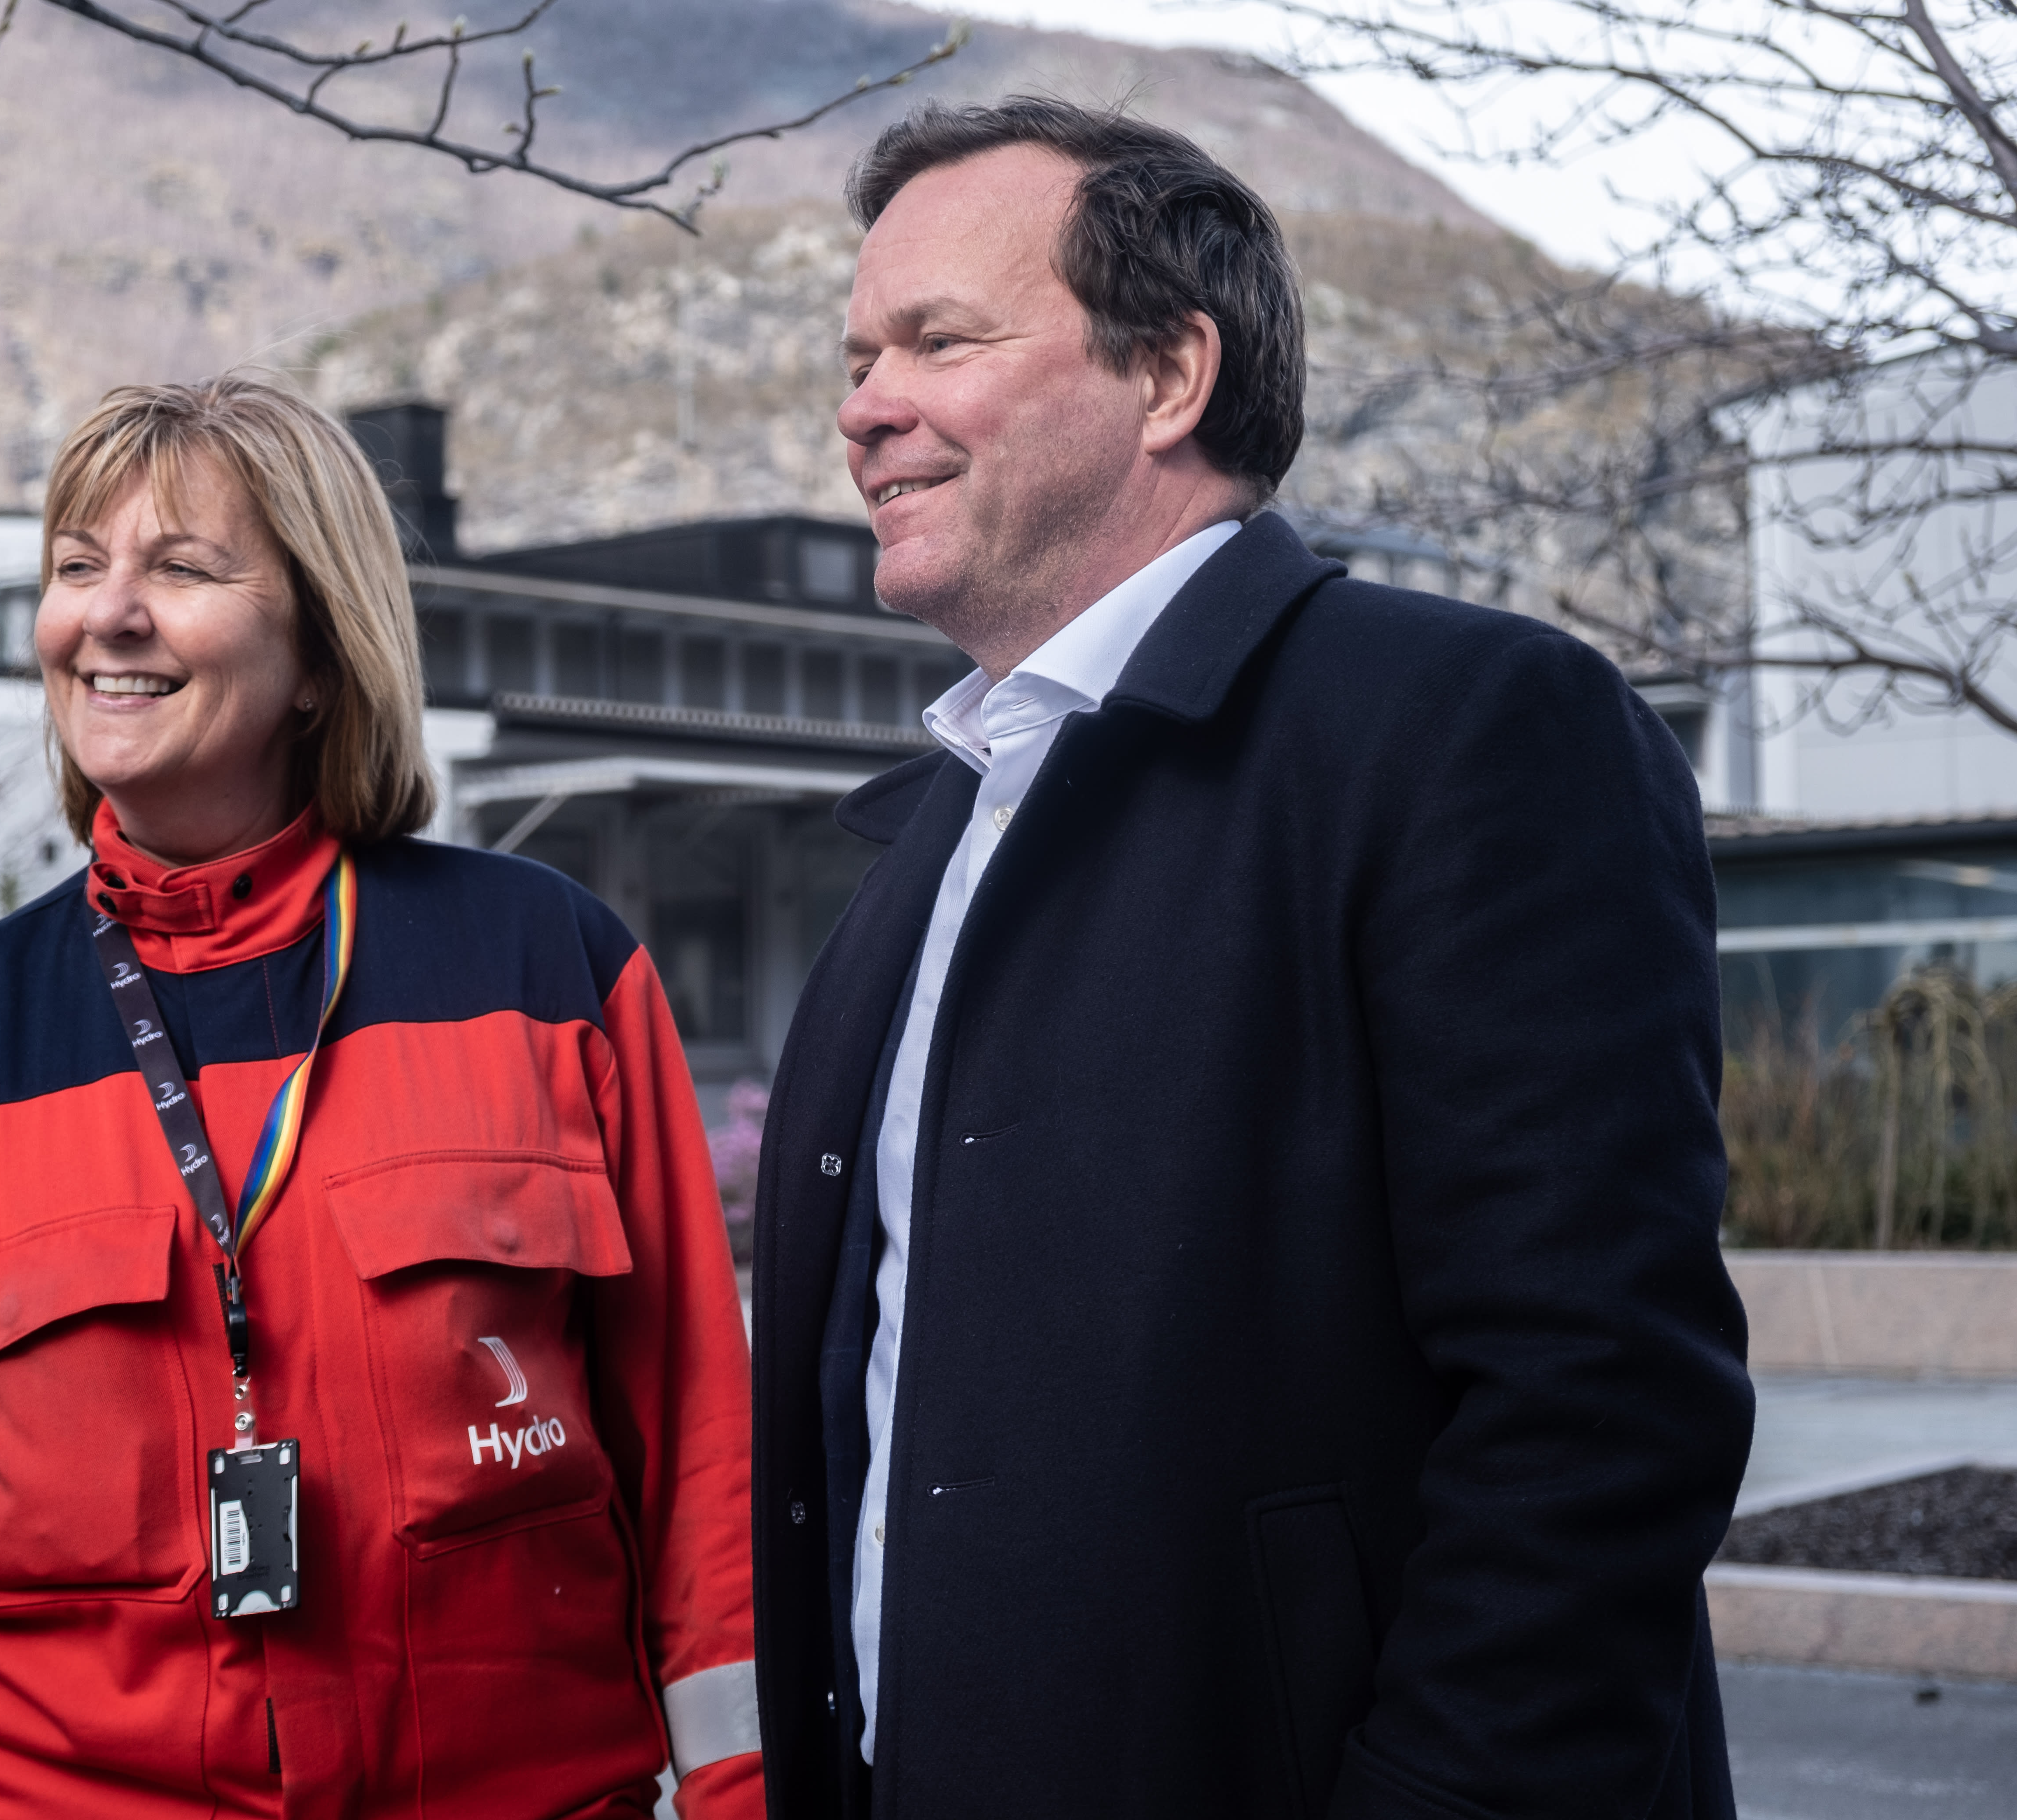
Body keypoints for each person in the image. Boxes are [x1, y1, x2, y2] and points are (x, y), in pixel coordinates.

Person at [749, 99, 1756, 1818]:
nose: (864, 406)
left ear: (1168, 374)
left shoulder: (1473, 731)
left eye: (939, 341)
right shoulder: (931, 835)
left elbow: (1599, 1414)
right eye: (857, 359)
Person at [0, 376, 763, 1819]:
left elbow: (703, 1468)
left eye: (182, 569)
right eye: (77, 567)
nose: (108, 614)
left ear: (321, 656)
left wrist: (744, 1789)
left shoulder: (548, 972)